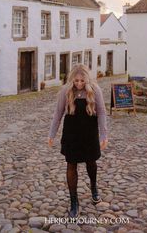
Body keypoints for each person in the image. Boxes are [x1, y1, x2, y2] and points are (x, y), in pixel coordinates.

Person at [48, 64, 108, 219]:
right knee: (71, 165)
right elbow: (58, 113)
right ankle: (74, 202)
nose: (79, 84)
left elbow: (101, 113)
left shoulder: (95, 90)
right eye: (76, 81)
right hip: (71, 134)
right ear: (72, 79)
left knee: (91, 163)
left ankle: (94, 189)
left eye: (82, 81)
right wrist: (51, 134)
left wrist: (104, 135)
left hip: (89, 134)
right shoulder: (65, 91)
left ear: (87, 80)